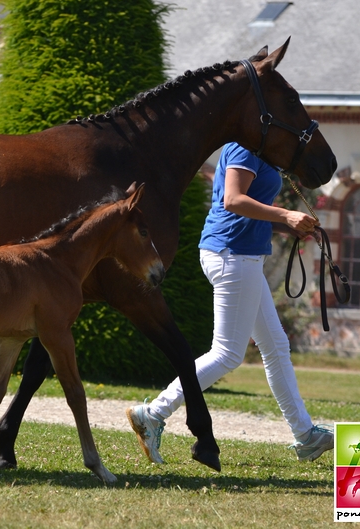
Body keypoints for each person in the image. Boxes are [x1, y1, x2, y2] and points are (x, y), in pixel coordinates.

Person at [126, 142, 333, 464]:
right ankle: (152, 413)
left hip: (243, 257)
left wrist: (287, 225)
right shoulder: (244, 148)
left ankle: (306, 436)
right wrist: (286, 214)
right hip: (231, 256)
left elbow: (250, 208)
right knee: (227, 353)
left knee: (276, 346)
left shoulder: (262, 150)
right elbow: (233, 200)